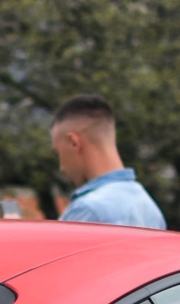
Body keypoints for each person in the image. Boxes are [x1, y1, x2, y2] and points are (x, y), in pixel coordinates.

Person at [50, 95, 165, 228]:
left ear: (74, 143)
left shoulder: (87, 210)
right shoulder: (149, 207)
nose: (61, 167)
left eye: (58, 153)